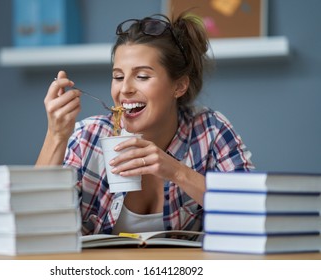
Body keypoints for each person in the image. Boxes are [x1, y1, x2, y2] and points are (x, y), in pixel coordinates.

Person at [36, 12, 254, 235]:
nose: (125, 89)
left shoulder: (210, 130)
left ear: (179, 86)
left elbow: (252, 212)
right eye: (118, 77)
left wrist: (177, 172)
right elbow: (35, 222)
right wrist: (56, 135)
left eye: (142, 76)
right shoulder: (88, 137)